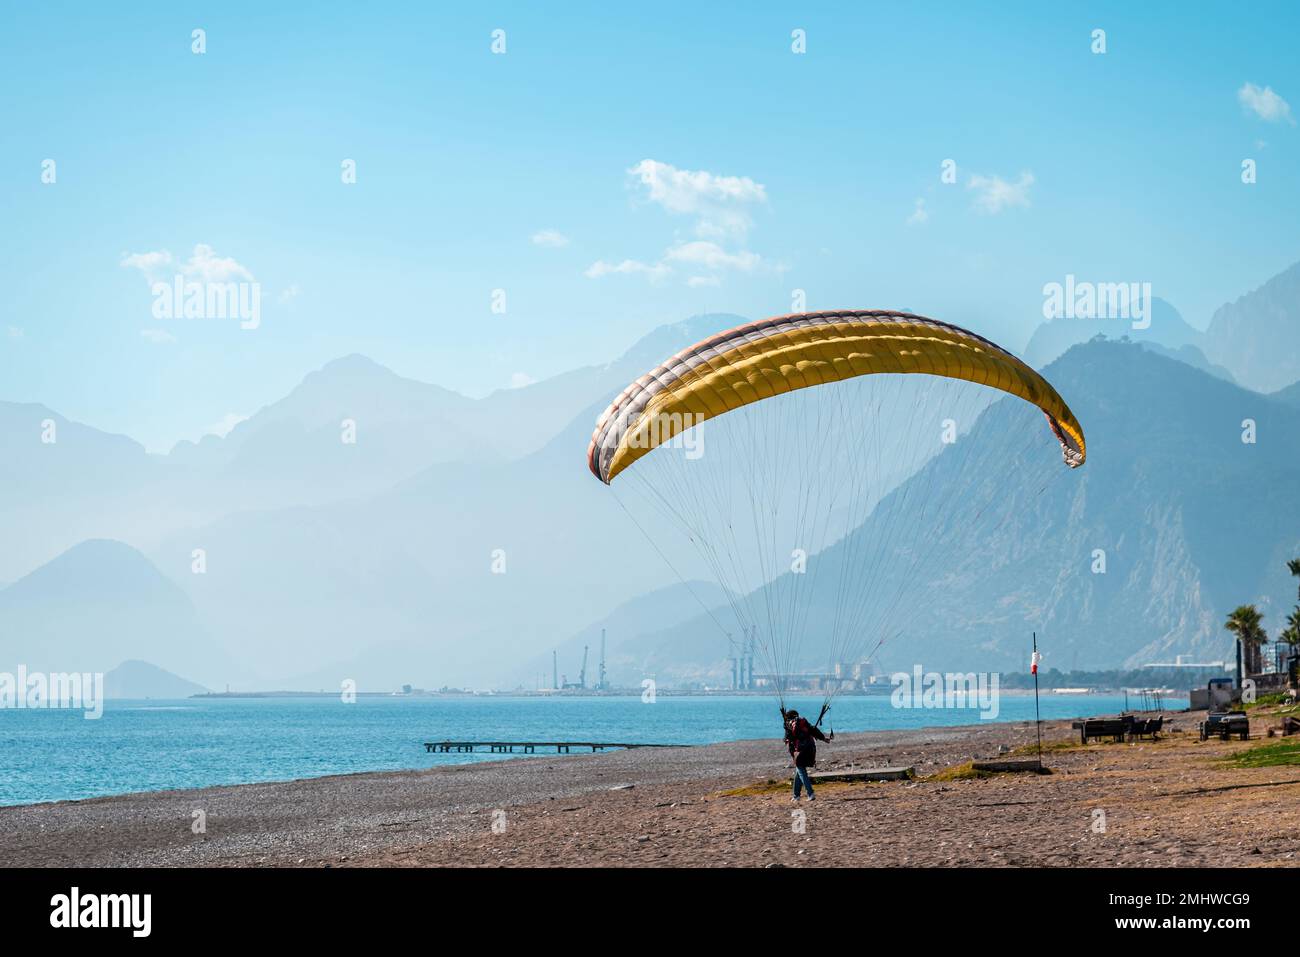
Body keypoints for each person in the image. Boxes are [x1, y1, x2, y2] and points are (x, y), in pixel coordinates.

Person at [783, 708, 829, 801]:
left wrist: (786, 738)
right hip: (810, 748)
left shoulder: (788, 724)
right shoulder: (803, 722)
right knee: (798, 771)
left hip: (799, 751)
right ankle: (796, 795)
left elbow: (788, 738)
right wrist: (823, 738)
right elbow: (813, 730)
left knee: (801, 771)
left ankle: (810, 793)